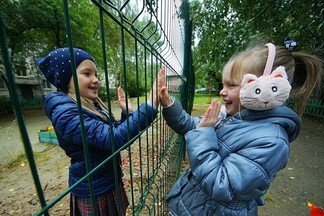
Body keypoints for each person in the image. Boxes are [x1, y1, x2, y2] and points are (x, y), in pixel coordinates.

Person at [159, 41, 323, 215]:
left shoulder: (272, 142)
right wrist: (169, 104)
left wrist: (204, 133)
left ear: (264, 88)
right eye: (223, 84)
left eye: (231, 85)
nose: (222, 91)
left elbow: (222, 184)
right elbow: (193, 127)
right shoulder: (231, 116)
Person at [36, 47, 160, 215]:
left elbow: (112, 135)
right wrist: (151, 104)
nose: (96, 80)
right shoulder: (66, 114)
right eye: (87, 74)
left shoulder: (89, 106)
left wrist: (127, 113)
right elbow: (113, 139)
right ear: (67, 79)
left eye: (96, 75)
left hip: (106, 180)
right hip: (93, 190)